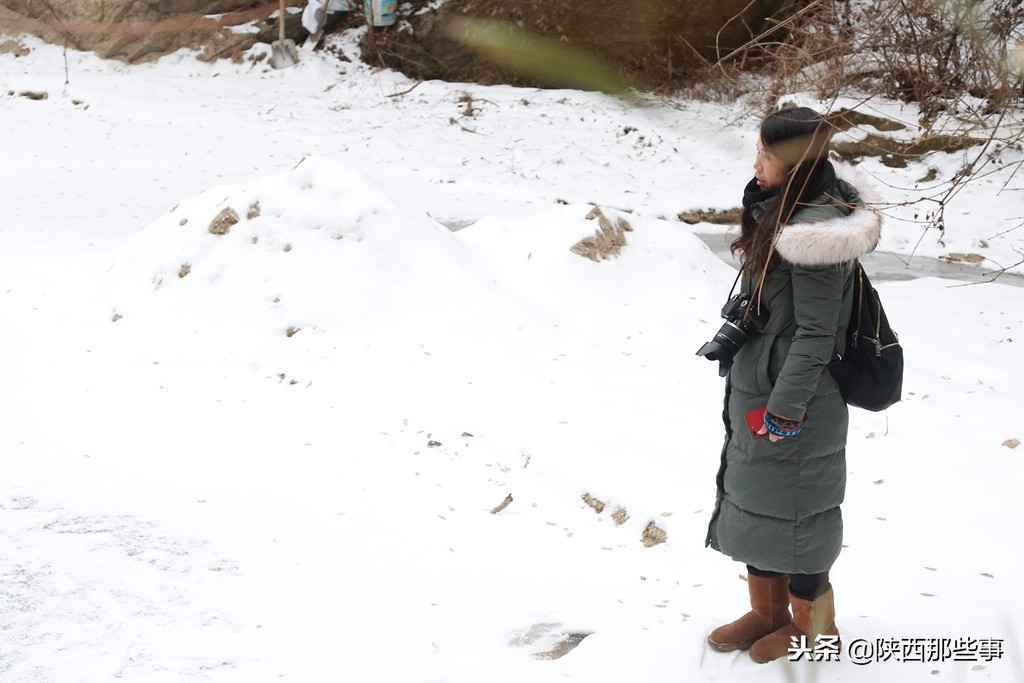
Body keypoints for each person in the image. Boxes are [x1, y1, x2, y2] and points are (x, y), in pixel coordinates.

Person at [699, 107, 883, 663]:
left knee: (801, 517)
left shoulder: (814, 234)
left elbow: (816, 334)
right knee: (759, 504)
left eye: (765, 155)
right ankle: (769, 612)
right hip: (763, 387)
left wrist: (785, 408)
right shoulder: (779, 208)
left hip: (798, 400)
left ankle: (816, 627)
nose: (755, 164)